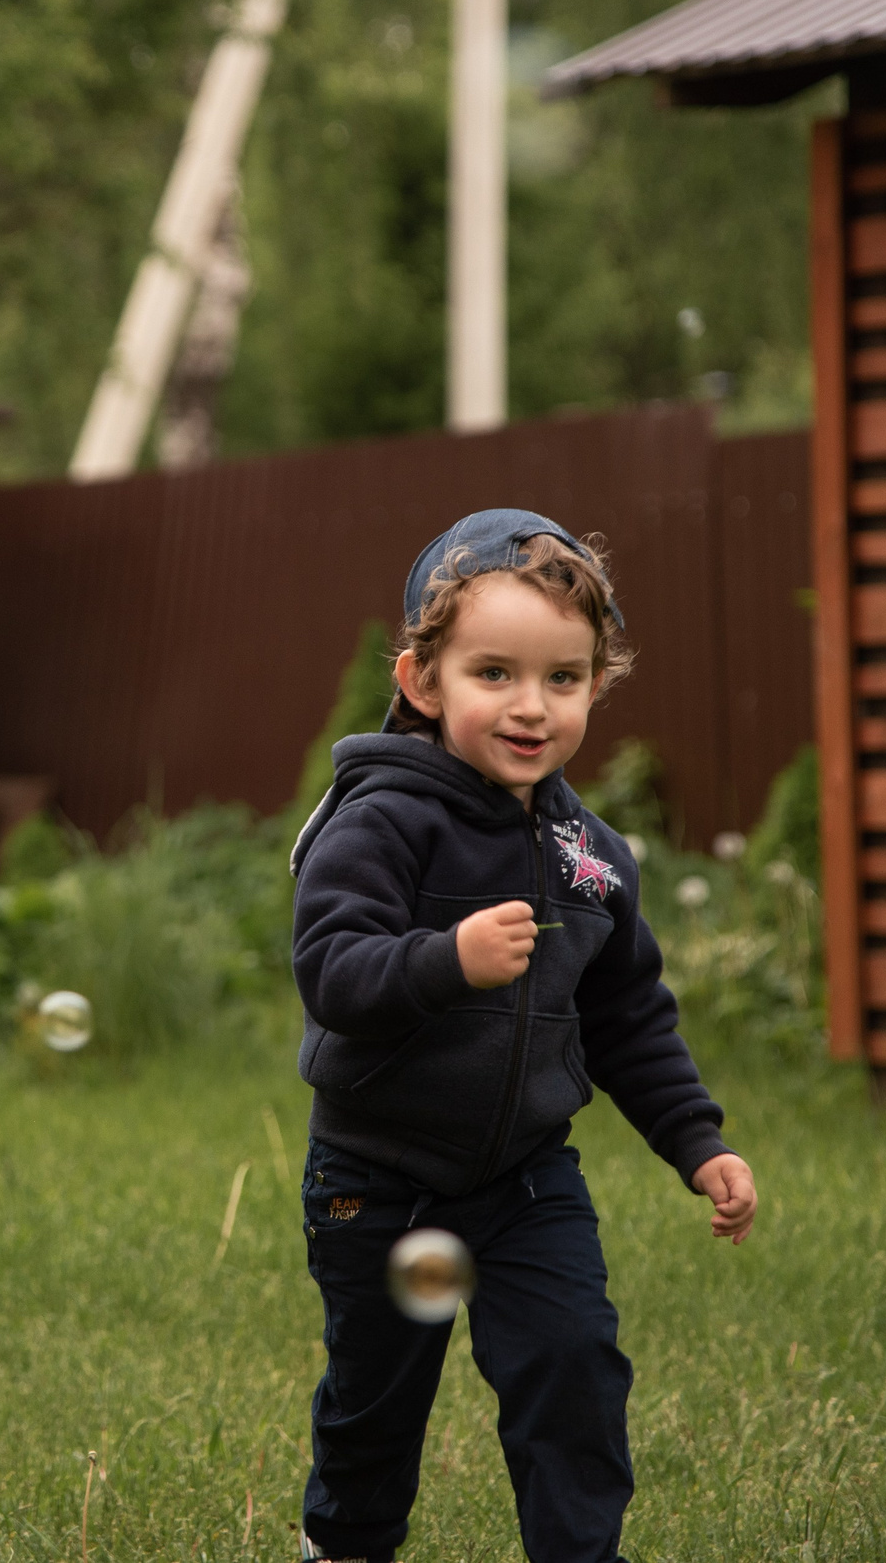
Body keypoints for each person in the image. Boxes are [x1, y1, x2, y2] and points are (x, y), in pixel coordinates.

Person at [287, 508, 756, 1563]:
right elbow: (331, 969)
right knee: (375, 1402)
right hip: (376, 1173)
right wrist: (442, 956)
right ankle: (346, 1546)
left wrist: (698, 1139)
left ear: (596, 684)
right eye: (492, 672)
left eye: (563, 677)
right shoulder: (378, 818)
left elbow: (628, 1012)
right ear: (422, 681)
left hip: (526, 1175)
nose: (530, 706)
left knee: (575, 1364)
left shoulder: (588, 855)